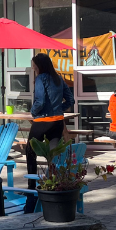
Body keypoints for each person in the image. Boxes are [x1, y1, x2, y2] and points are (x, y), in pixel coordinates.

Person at [27, 53, 75, 190]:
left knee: (30, 151)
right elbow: (71, 100)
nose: (33, 67)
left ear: (39, 65)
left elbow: (40, 101)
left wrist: (33, 112)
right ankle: (55, 184)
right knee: (53, 155)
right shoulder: (59, 78)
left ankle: (31, 187)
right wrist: (59, 109)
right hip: (58, 121)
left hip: (43, 120)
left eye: (34, 64)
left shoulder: (40, 78)